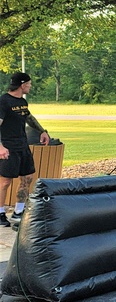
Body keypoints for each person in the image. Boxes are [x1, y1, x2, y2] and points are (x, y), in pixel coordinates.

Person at [0, 72, 50, 229]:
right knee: (5, 181)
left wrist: (42, 131)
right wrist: (0, 147)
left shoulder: (22, 102)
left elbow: (28, 117)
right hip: (8, 146)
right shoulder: (3, 101)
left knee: (27, 177)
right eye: (29, 83)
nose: (30, 86)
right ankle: (0, 213)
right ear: (22, 85)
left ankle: (18, 212)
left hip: (23, 145)